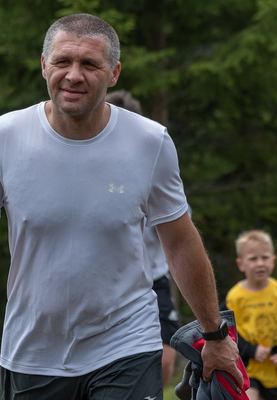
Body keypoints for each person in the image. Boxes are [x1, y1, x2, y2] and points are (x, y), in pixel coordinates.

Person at [0, 13, 242, 400]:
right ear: (44, 65)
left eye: (90, 64)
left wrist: (214, 334)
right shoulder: (4, 136)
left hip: (127, 346)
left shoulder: (149, 142)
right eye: (63, 61)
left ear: (114, 73)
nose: (74, 75)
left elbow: (180, 241)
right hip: (33, 353)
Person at [105, 89, 179, 387]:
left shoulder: (151, 164)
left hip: (153, 280)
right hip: (107, 283)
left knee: (165, 360)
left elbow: (178, 235)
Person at [222, 230, 277, 400]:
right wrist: (251, 350)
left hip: (275, 371)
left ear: (273, 260)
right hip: (245, 368)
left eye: (265, 258)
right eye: (253, 259)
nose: (260, 263)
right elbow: (227, 335)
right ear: (241, 264)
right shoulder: (234, 298)